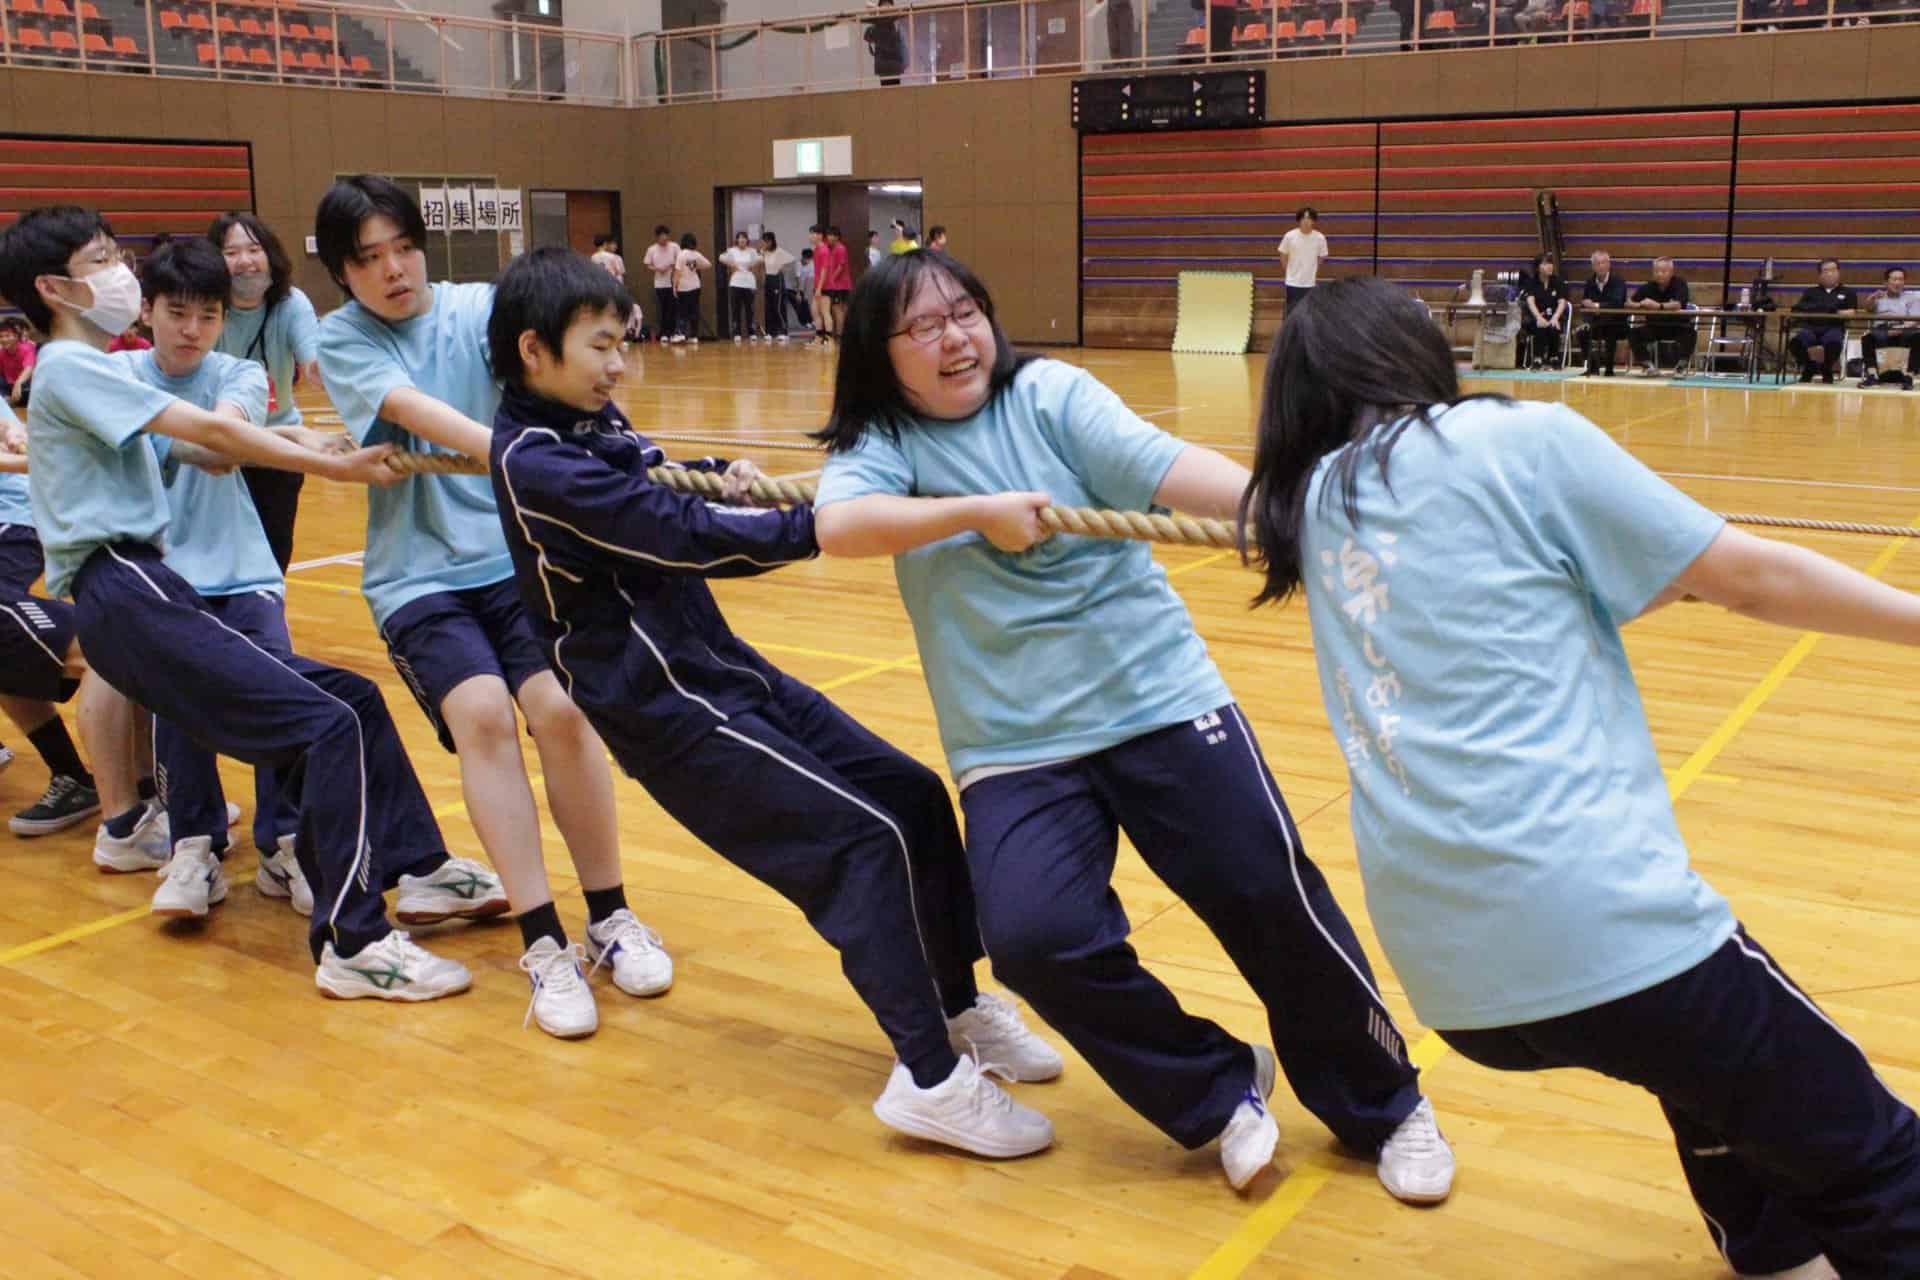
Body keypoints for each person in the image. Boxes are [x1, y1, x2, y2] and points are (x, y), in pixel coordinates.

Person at [1241, 275, 1920, 1278]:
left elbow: (1535, 597)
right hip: (1596, 928)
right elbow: (1750, 578)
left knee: (1701, 1065)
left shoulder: (1317, 502)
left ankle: (1775, 1251)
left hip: (1454, 982)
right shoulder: (1514, 441)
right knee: (1881, 1164)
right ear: (1409, 352)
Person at [811, 251, 1456, 1199]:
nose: (956, 338)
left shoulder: (1049, 396)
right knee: (1033, 939)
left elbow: (1170, 469)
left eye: (967, 312)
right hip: (1014, 747)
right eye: (926, 326)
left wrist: (1310, 518)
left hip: (1158, 700)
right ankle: (1219, 1089)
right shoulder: (885, 443)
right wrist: (977, 513)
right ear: (881, 351)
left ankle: (1386, 1104)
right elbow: (839, 526)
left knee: (1269, 898)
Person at [485, 246, 1060, 1156]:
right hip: (668, 712)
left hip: (718, 667)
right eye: (601, 347)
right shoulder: (537, 463)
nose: (620, 365)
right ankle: (929, 1079)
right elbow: (671, 532)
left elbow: (657, 478)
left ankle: (956, 1009)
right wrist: (818, 526)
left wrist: (721, 467)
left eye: (622, 344)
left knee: (911, 797)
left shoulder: (586, 421)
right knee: (861, 843)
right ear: (533, 351)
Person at [0, 204, 485, 999]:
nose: (121, 273)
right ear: (54, 287)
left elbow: (193, 442)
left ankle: (416, 867)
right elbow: (215, 434)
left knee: (354, 702)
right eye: (102, 260)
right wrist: (335, 468)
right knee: (326, 725)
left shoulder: (93, 372)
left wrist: (306, 441)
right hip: (125, 590)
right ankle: (354, 944)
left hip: (143, 588)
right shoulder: (71, 366)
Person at [314, 177, 668, 1037]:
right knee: (480, 713)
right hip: (416, 578)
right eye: (368, 259)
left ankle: (610, 914)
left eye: (403, 248)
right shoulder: (344, 336)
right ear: (344, 273)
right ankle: (543, 940)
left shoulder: (481, 308)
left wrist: (629, 453)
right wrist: (522, 459)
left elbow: (568, 373)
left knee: (563, 711)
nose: (393, 270)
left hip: (515, 559)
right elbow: (413, 411)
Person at [123, 239, 476, 933]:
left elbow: (229, 435)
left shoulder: (237, 373)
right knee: (177, 694)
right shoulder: (117, 377)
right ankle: (194, 846)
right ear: (147, 312)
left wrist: (293, 443)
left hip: (243, 572)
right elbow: (206, 443)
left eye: (208, 316)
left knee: (281, 692)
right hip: (161, 575)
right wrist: (300, 449)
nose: (192, 330)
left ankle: (284, 843)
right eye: (177, 313)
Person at [0, 396, 137, 842]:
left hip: (11, 523)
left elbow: (18, 442)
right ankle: (73, 777)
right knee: (6, 650)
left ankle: (119, 637)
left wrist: (19, 443)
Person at [208, 211, 322, 574]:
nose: (245, 261)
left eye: (254, 249)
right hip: (219, 447)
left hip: (278, 444)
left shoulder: (292, 304)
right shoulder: (208, 309)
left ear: (270, 255)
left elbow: (313, 357)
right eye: (231, 252)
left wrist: (330, 369)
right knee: (219, 552)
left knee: (275, 551)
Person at [1788, 259, 1856, 385]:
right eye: (1826, 271)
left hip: (1833, 327)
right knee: (1795, 342)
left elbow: (1851, 313)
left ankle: (1826, 369)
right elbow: (1799, 309)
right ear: (1820, 274)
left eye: (1833, 270)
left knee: (1834, 341)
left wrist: (1833, 311)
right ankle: (1809, 367)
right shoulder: (1810, 292)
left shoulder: (1848, 292)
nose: (1830, 273)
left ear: (1838, 272)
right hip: (1811, 327)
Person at [1627, 256, 1697, 375]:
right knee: (1633, 333)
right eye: (1656, 271)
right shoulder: (1648, 287)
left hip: (1677, 326)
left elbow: (1678, 304)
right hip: (1655, 327)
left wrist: (1658, 306)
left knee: (1691, 334)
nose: (1659, 274)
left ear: (1671, 272)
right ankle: (1648, 365)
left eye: (1663, 271)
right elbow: (1628, 303)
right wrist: (1640, 304)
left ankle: (1680, 367)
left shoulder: (1680, 283)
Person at [1862, 266, 1920, 390]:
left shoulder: (1912, 298)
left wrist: (1899, 328)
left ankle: (1909, 377)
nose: (1898, 283)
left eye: (1901, 279)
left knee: (1917, 337)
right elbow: (1867, 308)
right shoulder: (1878, 298)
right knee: (1867, 338)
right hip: (1882, 330)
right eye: (1894, 279)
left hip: (1904, 330)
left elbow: (1915, 320)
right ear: (1886, 283)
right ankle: (1872, 376)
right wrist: (1871, 298)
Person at [1578, 249, 1628, 376]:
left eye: (1603, 263)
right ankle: (1593, 365)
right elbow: (1585, 303)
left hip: (1617, 323)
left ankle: (1609, 368)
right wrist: (1586, 320)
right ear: (1593, 266)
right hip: (1596, 323)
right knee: (1581, 332)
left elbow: (1616, 303)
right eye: (1597, 263)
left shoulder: (1618, 281)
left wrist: (1596, 306)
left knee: (1611, 330)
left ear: (1609, 264)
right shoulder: (1590, 282)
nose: (1601, 266)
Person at [1520, 254, 1570, 370]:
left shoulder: (1558, 282)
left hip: (1554, 316)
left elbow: (1562, 302)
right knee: (1540, 326)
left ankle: (1554, 358)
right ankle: (1538, 358)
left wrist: (1555, 317)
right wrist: (1538, 317)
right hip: (1536, 317)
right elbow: (1530, 302)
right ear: (1538, 267)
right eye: (1545, 264)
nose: (1549, 266)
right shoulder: (1531, 282)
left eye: (1550, 263)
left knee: (1554, 326)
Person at [1278, 208, 1328, 314]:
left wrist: (1312, 269)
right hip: (1292, 282)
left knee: (1308, 311)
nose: (1306, 221)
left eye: (1309, 218)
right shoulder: (1289, 236)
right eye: (1303, 218)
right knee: (1291, 311)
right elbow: (1283, 254)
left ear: (1313, 221)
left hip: (1309, 283)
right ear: (1299, 220)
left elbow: (1322, 256)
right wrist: (1289, 271)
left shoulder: (1320, 238)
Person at [719, 231, 761, 343]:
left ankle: (751, 332)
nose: (742, 240)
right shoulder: (732, 250)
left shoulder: (752, 251)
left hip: (749, 283)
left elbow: (760, 258)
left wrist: (752, 265)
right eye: (740, 238)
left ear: (747, 240)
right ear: (737, 240)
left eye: (744, 238)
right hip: (736, 282)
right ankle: (737, 333)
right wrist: (732, 265)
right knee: (736, 309)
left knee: (750, 309)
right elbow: (721, 257)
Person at [671, 231, 710, 345]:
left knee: (682, 312)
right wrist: (696, 266)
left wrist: (674, 286)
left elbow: (677, 272)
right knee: (694, 311)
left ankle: (680, 334)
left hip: (683, 287)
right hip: (695, 286)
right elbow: (708, 264)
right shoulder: (696, 254)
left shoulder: (681, 254)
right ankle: (693, 336)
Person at [643, 225, 680, 344]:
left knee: (673, 309)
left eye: (666, 236)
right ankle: (663, 333)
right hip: (659, 284)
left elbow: (680, 261)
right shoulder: (652, 249)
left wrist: (671, 266)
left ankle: (673, 333)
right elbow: (647, 264)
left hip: (673, 283)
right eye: (662, 236)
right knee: (662, 310)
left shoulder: (674, 246)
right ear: (657, 237)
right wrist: (657, 269)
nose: (664, 238)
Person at [817, 225, 853, 345]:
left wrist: (831, 279)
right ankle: (838, 334)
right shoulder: (830, 248)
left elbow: (840, 266)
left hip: (840, 285)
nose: (829, 238)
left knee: (837, 310)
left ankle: (839, 335)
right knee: (837, 309)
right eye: (828, 235)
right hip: (836, 285)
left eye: (831, 235)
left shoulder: (840, 248)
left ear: (837, 237)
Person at [760, 231, 795, 343]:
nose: (764, 243)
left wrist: (782, 267)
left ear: (771, 241)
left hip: (777, 279)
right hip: (768, 279)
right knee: (769, 306)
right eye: (763, 241)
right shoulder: (763, 252)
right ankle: (771, 332)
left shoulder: (779, 251)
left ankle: (783, 332)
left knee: (778, 306)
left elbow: (792, 259)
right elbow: (760, 262)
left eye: (766, 241)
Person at [865, 0, 907, 85]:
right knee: (885, 89)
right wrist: (874, 16)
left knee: (896, 88)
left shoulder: (895, 22)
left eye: (888, 7)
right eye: (884, 8)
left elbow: (904, 13)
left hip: (894, 63)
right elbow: (868, 37)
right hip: (883, 64)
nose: (886, 10)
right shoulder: (876, 24)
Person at [0, 317, 37, 406]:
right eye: (1, 337)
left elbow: (29, 368)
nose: (4, 339)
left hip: (27, 385)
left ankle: (10, 401)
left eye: (8, 336)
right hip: (10, 386)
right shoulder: (1, 353)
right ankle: (7, 400)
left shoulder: (27, 348)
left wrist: (18, 382)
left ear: (16, 336)